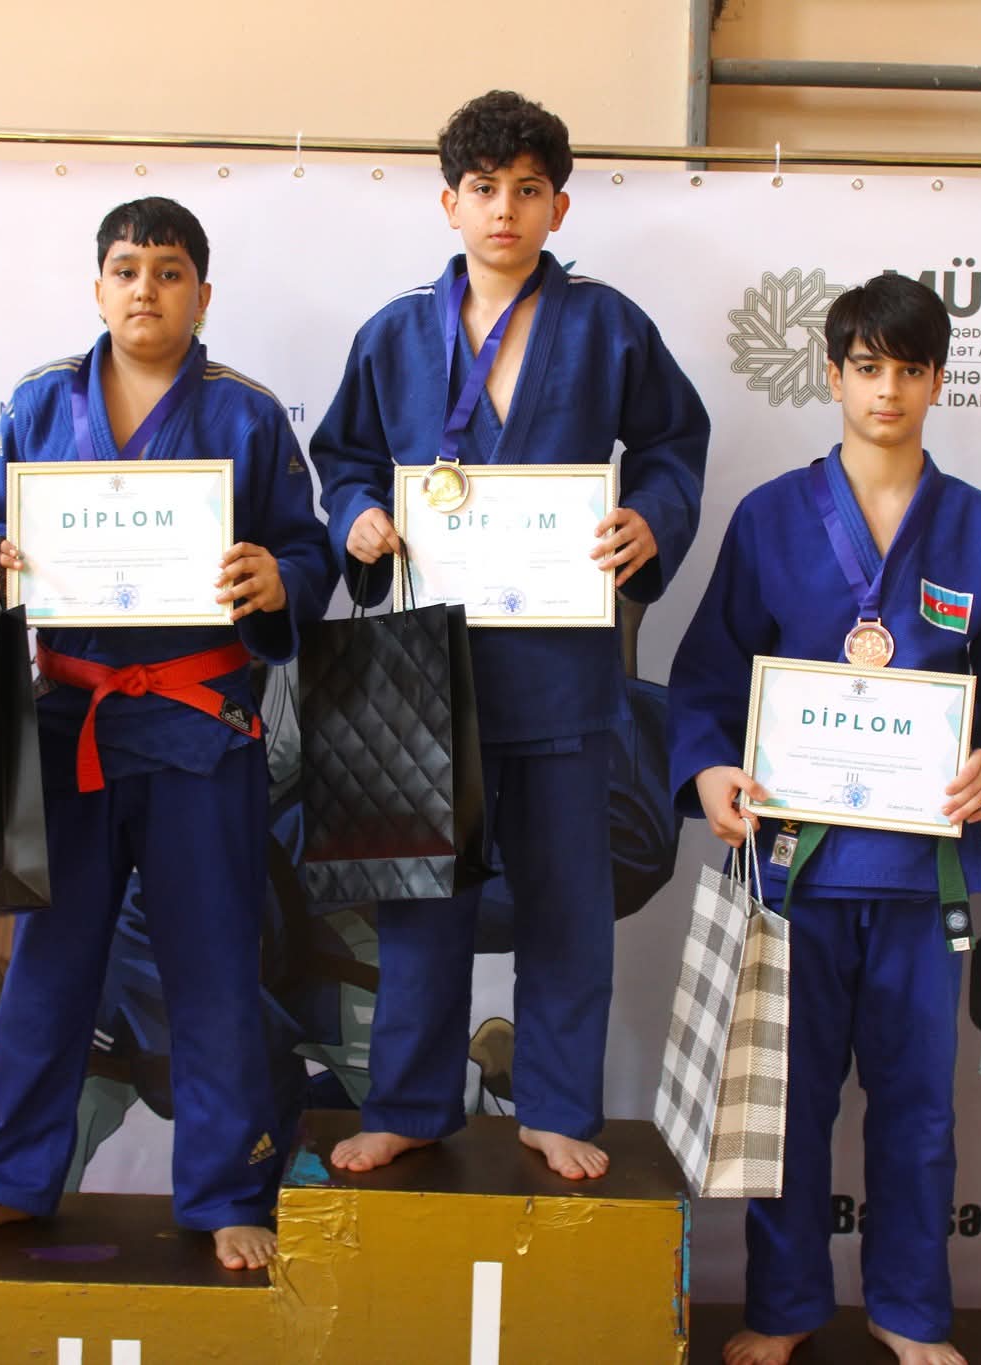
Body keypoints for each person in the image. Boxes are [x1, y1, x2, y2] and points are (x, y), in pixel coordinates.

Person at [309, 89, 709, 1181]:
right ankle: (409, 1103)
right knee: (419, 906)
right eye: (483, 189)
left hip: (559, 670)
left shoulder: (608, 326)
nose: (503, 210)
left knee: (566, 902)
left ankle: (557, 1103)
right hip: (424, 674)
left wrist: (651, 517)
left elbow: (674, 444)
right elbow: (344, 460)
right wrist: (359, 518)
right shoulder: (395, 333)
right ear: (449, 202)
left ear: (558, 207)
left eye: (527, 190)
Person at [0, 196, 334, 1271]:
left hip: (199, 726)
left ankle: (225, 1191)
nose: (145, 289)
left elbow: (306, 551)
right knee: (48, 967)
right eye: (125, 269)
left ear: (202, 293)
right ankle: (6, 1177)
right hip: (69, 720)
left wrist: (277, 578)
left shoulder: (246, 414)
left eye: (168, 271)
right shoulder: (37, 403)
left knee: (212, 967)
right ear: (97, 287)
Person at [667, 273, 981, 1365]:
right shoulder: (769, 518)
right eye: (867, 367)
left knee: (917, 1107)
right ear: (832, 375)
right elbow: (707, 676)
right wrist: (708, 769)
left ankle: (909, 1311)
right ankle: (784, 1306)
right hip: (795, 868)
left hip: (922, 874)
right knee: (787, 1106)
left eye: (909, 369)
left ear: (938, 382)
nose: (887, 390)